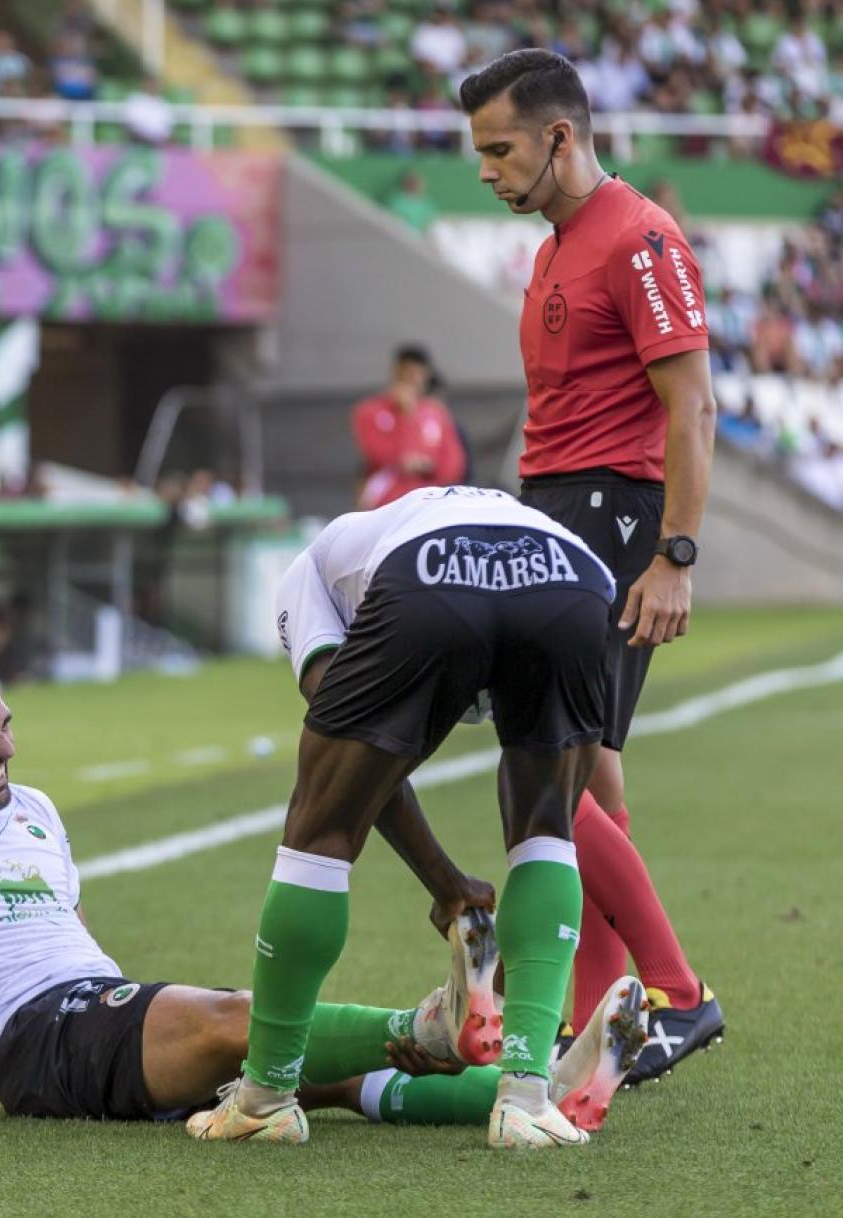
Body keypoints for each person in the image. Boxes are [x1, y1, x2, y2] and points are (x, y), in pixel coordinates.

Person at [0, 659, 648, 1133]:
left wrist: (118, 996)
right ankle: (433, 1030)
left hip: (96, 1006)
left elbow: (67, 930)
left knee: (315, 1072)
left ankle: (541, 1095)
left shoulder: (36, 808)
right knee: (242, 1022)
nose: (6, 749)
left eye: (7, 726)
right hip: (30, 1045)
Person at [191, 486, 629, 1149]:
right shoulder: (480, 528)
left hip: (431, 574)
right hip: (574, 576)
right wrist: (463, 897)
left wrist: (444, 883)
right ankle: (526, 1098)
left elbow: (355, 779)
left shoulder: (306, 575)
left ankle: (265, 1099)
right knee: (548, 834)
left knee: (318, 831)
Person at [462, 49, 722, 1084]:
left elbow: (692, 407)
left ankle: (677, 995)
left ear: (559, 136)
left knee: (548, 769)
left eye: (499, 148)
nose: (484, 170)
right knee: (587, 779)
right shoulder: (558, 244)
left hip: (615, 513)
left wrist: (675, 556)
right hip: (561, 512)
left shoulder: (640, 238)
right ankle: (600, 1017)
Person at [350, 344, 466, 508]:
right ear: (396, 371)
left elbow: (454, 465)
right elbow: (375, 454)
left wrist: (428, 466)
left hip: (430, 501)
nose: (412, 378)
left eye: (418, 372)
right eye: (407, 372)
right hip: (387, 501)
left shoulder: (436, 413)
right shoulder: (370, 410)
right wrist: (406, 415)